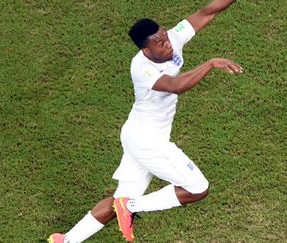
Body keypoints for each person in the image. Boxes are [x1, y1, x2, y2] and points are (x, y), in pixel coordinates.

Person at [49, 0, 243, 242]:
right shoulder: (141, 68)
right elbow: (176, 86)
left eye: (166, 38)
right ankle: (129, 206)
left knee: (118, 201)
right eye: (160, 44)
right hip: (148, 142)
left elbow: (207, 12)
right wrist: (211, 63)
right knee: (197, 188)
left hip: (136, 134)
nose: (168, 45)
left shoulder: (172, 39)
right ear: (146, 50)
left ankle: (65, 240)